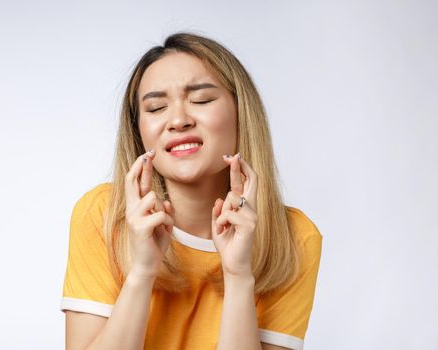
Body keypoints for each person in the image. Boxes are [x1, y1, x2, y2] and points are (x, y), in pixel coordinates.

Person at [60, 32, 323, 350]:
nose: (178, 120)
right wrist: (141, 272)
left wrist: (238, 276)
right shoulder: (102, 214)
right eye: (156, 108)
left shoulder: (294, 239)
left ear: (242, 113)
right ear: (139, 131)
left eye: (201, 100)